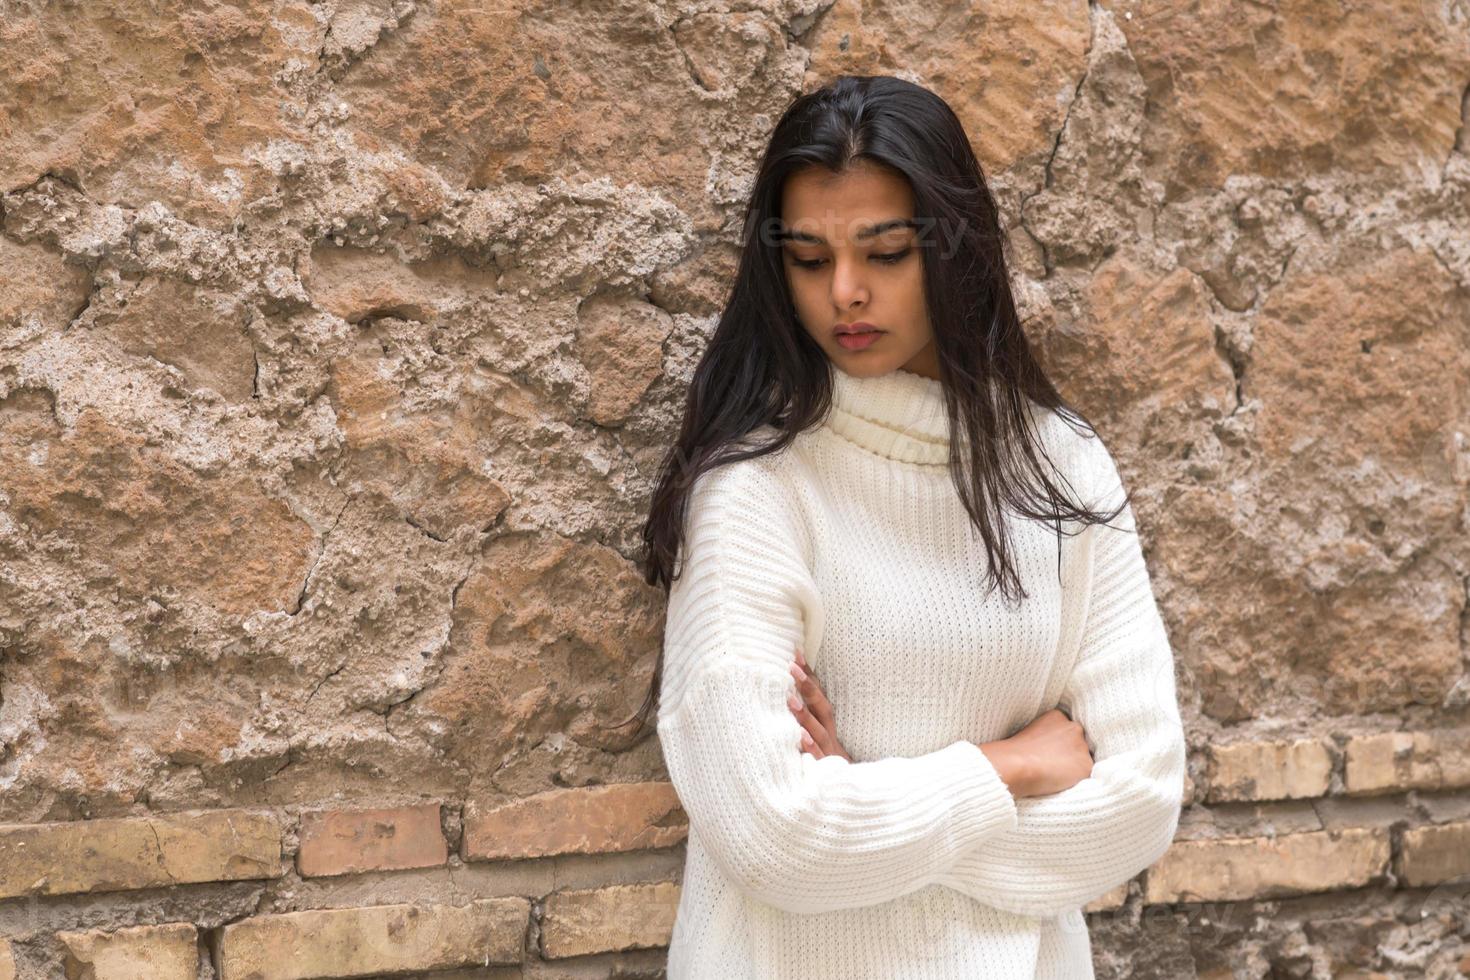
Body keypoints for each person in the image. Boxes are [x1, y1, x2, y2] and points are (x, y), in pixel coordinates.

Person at [628, 74, 1187, 979]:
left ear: (953, 249)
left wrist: (865, 803)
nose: (845, 291)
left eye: (885, 253)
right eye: (809, 260)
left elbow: (1143, 799)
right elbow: (771, 835)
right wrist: (1007, 769)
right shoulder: (758, 489)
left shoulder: (1060, 466)